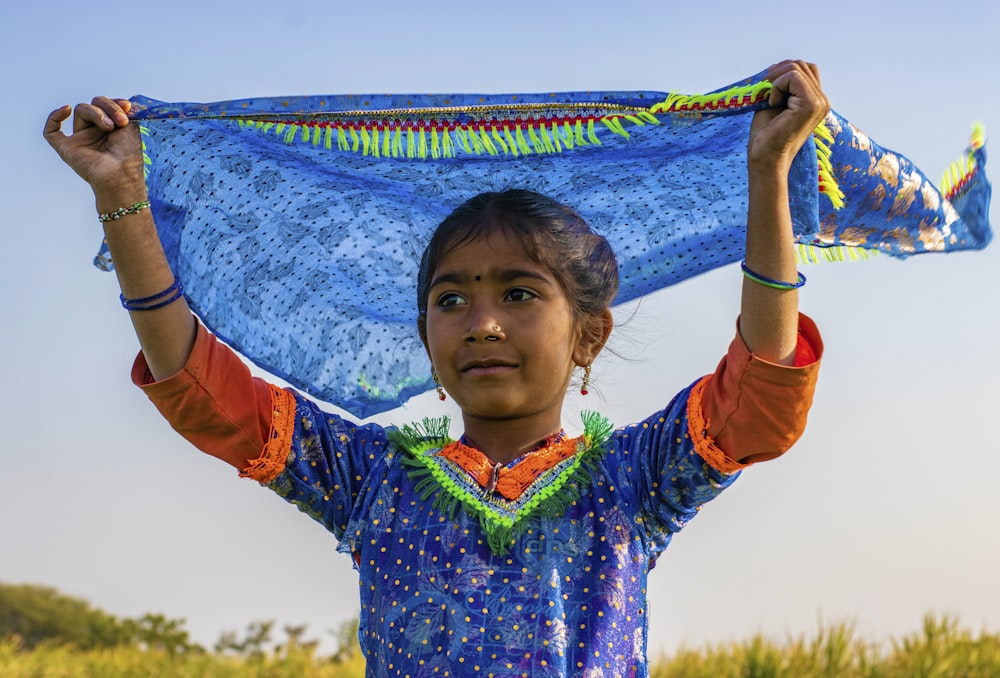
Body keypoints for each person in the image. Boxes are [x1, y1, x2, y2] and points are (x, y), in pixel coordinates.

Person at [45, 60, 826, 677]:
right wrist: (122, 195)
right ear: (427, 339)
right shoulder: (369, 481)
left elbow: (760, 390)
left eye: (519, 293)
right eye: (450, 300)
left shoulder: (632, 481)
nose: (482, 322)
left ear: (589, 336)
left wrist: (767, 172)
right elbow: (199, 387)